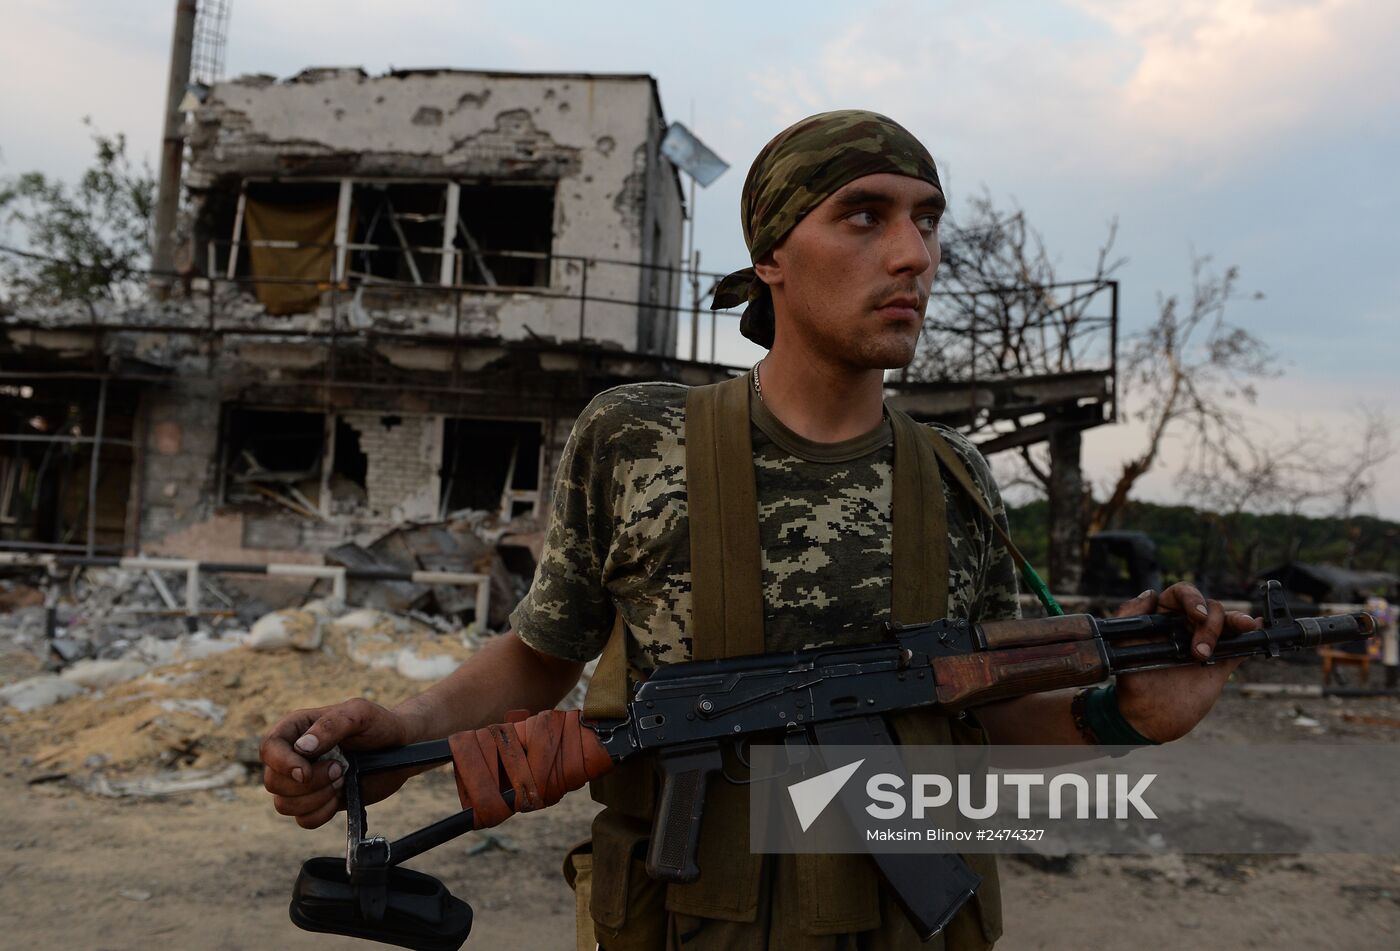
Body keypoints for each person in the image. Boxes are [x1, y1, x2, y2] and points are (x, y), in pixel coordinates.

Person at [261, 110, 1261, 950]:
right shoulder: (634, 438)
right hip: (684, 923)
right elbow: (541, 655)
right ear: (772, 253)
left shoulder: (956, 479)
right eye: (862, 217)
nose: (912, 254)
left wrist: (1123, 715)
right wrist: (404, 732)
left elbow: (973, 729)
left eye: (924, 221)